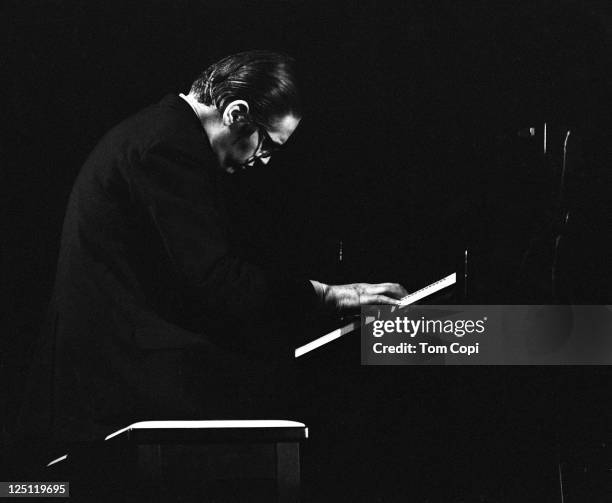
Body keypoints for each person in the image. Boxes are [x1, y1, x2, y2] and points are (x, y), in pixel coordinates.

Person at [20, 50, 407, 449]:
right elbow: (215, 282)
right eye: (267, 145)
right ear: (236, 114)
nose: (264, 161)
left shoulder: (160, 131)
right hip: (118, 375)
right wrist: (328, 295)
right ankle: (469, 340)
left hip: (116, 362)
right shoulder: (167, 148)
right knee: (323, 399)